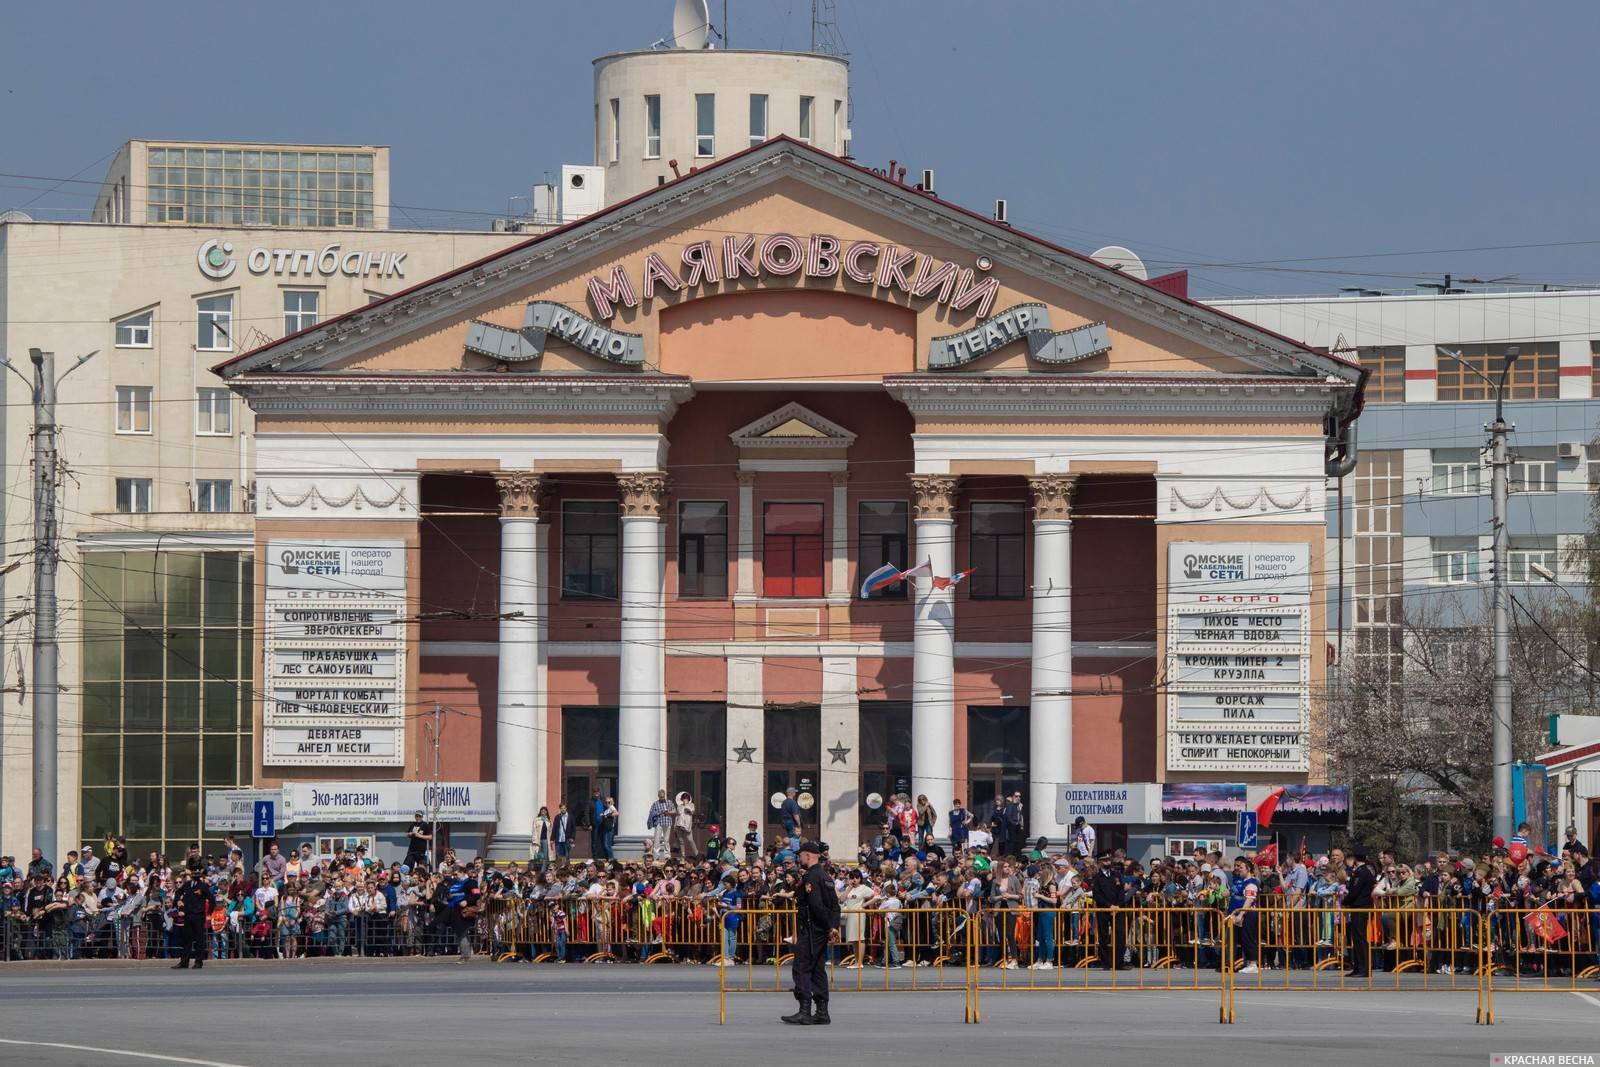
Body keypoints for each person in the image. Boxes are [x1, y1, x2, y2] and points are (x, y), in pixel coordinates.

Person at [782, 841, 840, 1025]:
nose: (799, 858)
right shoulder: (826, 877)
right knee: (817, 969)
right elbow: (835, 906)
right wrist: (833, 926)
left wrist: (829, 927)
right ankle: (822, 1012)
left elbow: (816, 905)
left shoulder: (811, 877)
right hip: (821, 929)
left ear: (808, 855)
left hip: (811, 928)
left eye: (800, 855)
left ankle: (804, 1010)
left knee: (801, 966)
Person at [1343, 846, 1377, 978]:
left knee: (1360, 938)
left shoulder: (1362, 873)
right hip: (1358, 907)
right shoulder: (1361, 871)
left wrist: (1345, 901)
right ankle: (1358, 967)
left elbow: (1355, 891)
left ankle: (1364, 968)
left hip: (1361, 907)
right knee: (1356, 938)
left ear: (1356, 859)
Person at [172, 870, 215, 970]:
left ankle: (199, 962)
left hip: (198, 916)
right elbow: (178, 892)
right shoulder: (187, 884)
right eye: (193, 872)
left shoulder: (203, 886)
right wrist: (178, 900)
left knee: (199, 940)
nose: (195, 874)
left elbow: (211, 899)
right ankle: (184, 962)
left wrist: (209, 913)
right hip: (188, 915)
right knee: (187, 939)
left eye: (197, 872)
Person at [648, 790, 675, 860]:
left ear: (665, 795)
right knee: (657, 839)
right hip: (659, 823)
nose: (662, 798)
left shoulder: (669, 802)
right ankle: (656, 855)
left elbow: (674, 811)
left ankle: (667, 856)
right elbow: (651, 812)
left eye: (663, 797)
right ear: (658, 796)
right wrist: (659, 813)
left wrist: (669, 812)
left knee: (666, 840)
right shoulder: (655, 803)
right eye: (661, 797)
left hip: (668, 822)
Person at [673, 792, 697, 859]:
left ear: (688, 799)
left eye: (686, 798)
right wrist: (675, 825)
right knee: (681, 841)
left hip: (687, 826)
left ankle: (696, 853)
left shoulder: (691, 805)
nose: (685, 800)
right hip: (679, 825)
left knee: (690, 840)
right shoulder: (679, 806)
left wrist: (686, 805)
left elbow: (692, 811)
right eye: (683, 798)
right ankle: (683, 855)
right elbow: (677, 816)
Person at [780, 788, 802, 853]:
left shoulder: (784, 802)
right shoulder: (793, 802)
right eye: (794, 792)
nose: (795, 794)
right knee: (795, 838)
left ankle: (789, 851)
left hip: (785, 822)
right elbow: (795, 815)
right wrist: (799, 824)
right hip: (792, 822)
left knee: (790, 838)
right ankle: (794, 853)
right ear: (791, 793)